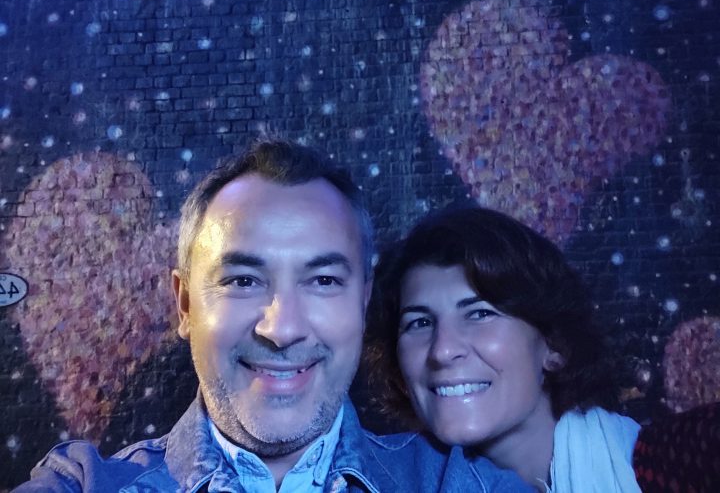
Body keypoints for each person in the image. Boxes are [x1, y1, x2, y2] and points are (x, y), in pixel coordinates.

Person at [14, 141, 531, 492]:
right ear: (185, 305)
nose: (282, 330)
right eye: (243, 281)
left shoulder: (460, 485)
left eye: (323, 281)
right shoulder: (83, 483)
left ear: (363, 302)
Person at [365, 205, 642, 493]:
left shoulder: (655, 468)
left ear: (554, 344)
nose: (442, 351)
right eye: (420, 323)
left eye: (479, 314)